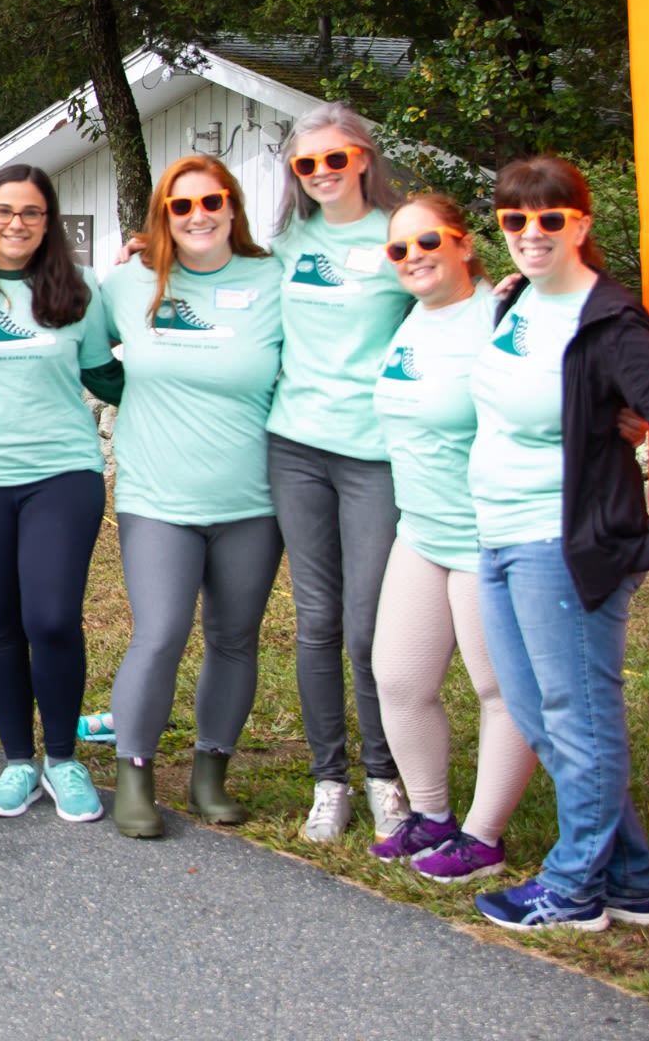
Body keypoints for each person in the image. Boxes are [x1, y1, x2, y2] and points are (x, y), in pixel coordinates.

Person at [468, 157, 649, 932]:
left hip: (564, 545)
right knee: (542, 717)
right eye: (516, 220)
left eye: (550, 219)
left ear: (581, 224)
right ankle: (636, 878)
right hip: (499, 535)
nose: (531, 234)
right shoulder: (514, 302)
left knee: (577, 714)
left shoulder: (609, 324)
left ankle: (574, 887)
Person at [100, 156, 284, 840]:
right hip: (157, 496)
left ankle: (211, 775)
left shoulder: (275, 280)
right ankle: (136, 774)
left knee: (235, 639)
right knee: (160, 635)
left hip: (253, 501)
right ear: (163, 216)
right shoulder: (126, 283)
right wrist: (146, 403)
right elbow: (93, 358)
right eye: (182, 206)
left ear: (233, 208)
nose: (198, 215)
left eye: (212, 202)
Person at [0, 164, 119, 823]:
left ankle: (63, 759)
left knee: (52, 618)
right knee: (1, 623)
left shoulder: (81, 289)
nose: (17, 223)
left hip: (61, 474)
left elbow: (105, 373)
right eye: (4, 211)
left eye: (32, 212)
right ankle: (17, 762)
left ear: (50, 221)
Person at [363, 193, 537, 884]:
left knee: (500, 690)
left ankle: (483, 836)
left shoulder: (503, 314)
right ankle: (431, 817)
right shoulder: (409, 315)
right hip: (422, 529)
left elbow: (578, 366)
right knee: (398, 681)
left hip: (488, 535)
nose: (413, 258)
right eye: (399, 250)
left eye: (428, 242)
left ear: (465, 245)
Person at [265, 104, 416, 842]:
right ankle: (330, 781)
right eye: (306, 164)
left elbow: (453, 297)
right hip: (294, 447)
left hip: (374, 454)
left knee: (368, 627)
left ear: (362, 158)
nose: (321, 173)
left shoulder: (397, 234)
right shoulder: (289, 241)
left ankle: (386, 776)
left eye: (334, 159)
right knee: (317, 621)